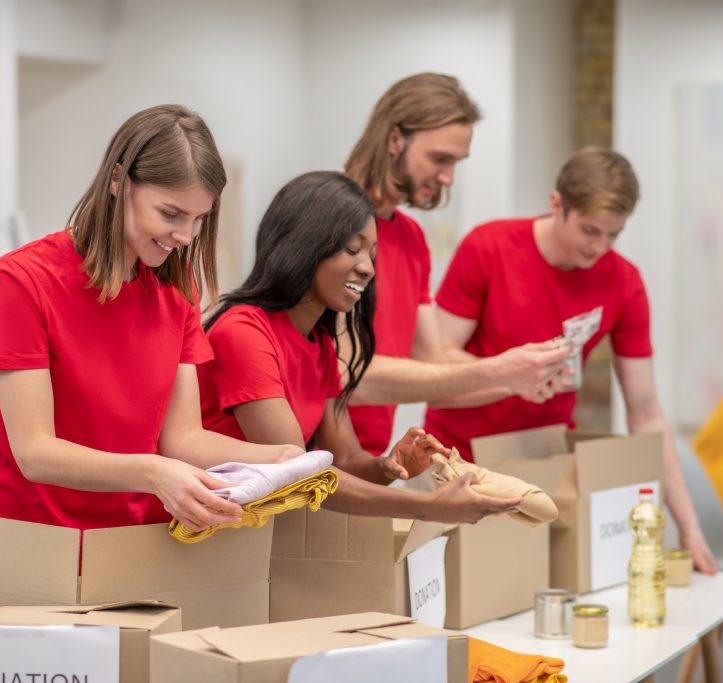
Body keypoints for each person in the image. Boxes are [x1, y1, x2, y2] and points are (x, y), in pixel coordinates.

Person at [0, 105, 300, 604]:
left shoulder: (177, 294)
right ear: (118, 181)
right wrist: (151, 472)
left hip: (116, 556)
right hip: (7, 554)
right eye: (170, 214)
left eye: (198, 219)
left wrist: (275, 460)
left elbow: (183, 438)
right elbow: (35, 451)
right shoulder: (21, 281)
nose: (186, 236)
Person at [424, 147, 718, 573]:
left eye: (613, 235)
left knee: (537, 605)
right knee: (459, 604)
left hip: (542, 462)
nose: (599, 247)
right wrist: (512, 378)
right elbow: (436, 358)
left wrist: (688, 528)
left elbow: (647, 413)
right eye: (589, 230)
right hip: (458, 459)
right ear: (557, 204)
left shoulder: (623, 281)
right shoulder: (489, 247)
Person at [198, 171, 521, 522]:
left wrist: (390, 464)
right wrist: (429, 506)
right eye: (352, 250)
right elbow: (299, 474)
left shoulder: (319, 343)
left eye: (372, 253)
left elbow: (347, 458)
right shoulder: (243, 332)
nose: (367, 268)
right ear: (304, 246)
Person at [341, 73, 573, 458]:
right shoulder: (329, 221)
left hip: (365, 462)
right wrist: (503, 372)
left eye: (455, 162)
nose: (448, 177)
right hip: (305, 464)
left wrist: (519, 378)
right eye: (439, 159)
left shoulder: (411, 237)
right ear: (395, 139)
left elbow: (438, 367)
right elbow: (347, 374)